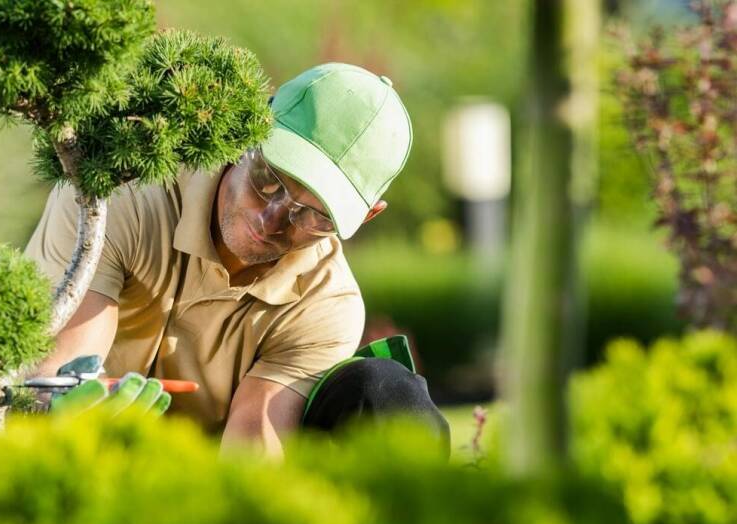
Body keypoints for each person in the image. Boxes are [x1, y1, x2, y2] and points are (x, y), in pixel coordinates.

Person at [24, 62, 448, 457]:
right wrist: (70, 415)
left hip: (198, 483)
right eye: (269, 179)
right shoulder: (123, 197)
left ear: (368, 215)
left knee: (389, 396)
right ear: (247, 131)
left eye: (315, 215)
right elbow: (52, 379)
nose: (271, 218)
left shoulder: (327, 302)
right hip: (84, 456)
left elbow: (253, 445)